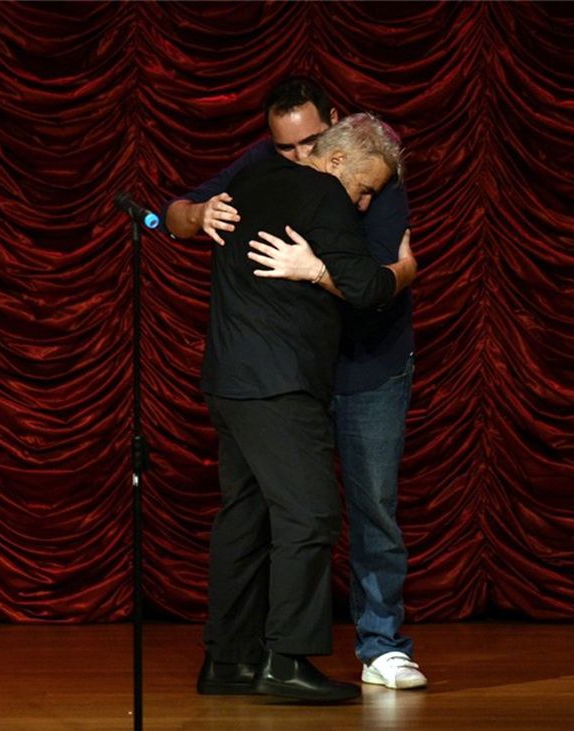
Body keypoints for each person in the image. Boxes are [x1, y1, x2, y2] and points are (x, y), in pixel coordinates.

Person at [165, 77, 427, 691]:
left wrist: (314, 269)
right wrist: (404, 268)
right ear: (338, 164)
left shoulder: (252, 182)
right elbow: (368, 286)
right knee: (310, 516)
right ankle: (286, 663)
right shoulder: (325, 193)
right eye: (363, 189)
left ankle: (226, 661)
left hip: (231, 378)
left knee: (244, 517)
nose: (364, 202)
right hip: (280, 382)